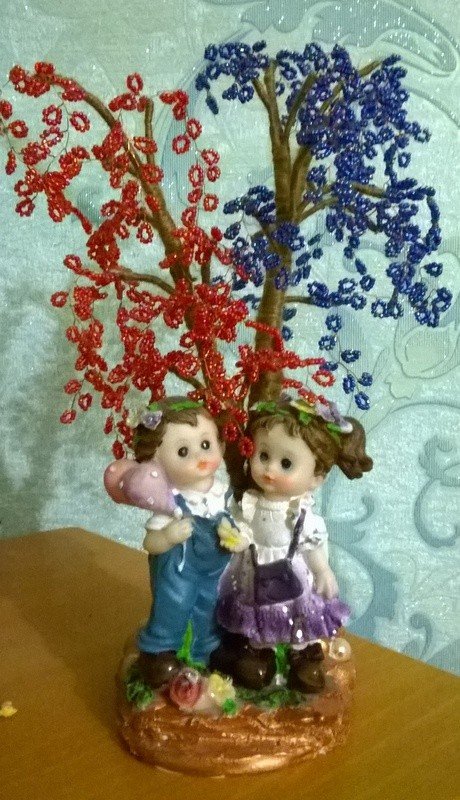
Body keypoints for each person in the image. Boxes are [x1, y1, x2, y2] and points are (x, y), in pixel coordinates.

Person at [211, 397, 372, 693]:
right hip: (254, 571)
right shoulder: (249, 502)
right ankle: (259, 654)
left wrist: (322, 570)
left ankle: (302, 658)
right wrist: (235, 538)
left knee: (296, 615)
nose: (270, 470)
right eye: (263, 455)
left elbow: (312, 544)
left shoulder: (300, 512)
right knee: (257, 614)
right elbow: (239, 527)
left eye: (286, 463)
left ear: (316, 478)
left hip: (291, 575)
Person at [132, 397, 237, 688]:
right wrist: (167, 536)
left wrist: (234, 533)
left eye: (205, 444)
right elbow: (150, 542)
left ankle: (208, 649)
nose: (199, 457)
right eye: (182, 451)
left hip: (216, 568)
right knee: (174, 606)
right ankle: (160, 651)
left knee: (211, 605)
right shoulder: (169, 502)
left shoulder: (223, 493)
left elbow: (236, 522)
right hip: (178, 570)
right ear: (155, 461)